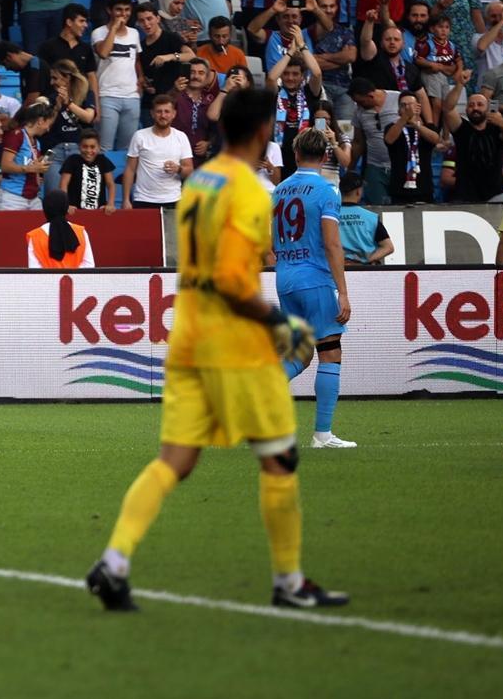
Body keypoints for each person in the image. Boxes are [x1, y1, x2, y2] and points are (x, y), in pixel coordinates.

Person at [86, 85, 346, 613]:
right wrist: (278, 322)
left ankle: (113, 563)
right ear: (261, 130)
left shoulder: (199, 183)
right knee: (279, 458)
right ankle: (290, 581)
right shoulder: (249, 191)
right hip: (233, 345)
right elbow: (232, 279)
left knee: (175, 461)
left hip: (189, 337)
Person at [270, 129, 354, 449]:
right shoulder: (326, 190)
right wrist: (342, 292)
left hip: (286, 278)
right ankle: (323, 435)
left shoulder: (278, 190)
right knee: (330, 351)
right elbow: (333, 243)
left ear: (295, 155)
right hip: (314, 278)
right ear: (325, 157)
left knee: (301, 354)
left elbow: (269, 243)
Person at [121, 95, 194, 208]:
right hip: (143, 199)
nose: (163, 115)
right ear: (152, 113)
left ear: (174, 114)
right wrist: (126, 200)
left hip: (173, 199)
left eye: (167, 111)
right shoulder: (140, 136)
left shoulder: (181, 137)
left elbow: (189, 170)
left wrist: (178, 169)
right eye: (159, 111)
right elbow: (130, 169)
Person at [26, 188, 94, 267]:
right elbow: (89, 266)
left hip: (47, 279)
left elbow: (35, 272)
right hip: (76, 279)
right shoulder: (81, 232)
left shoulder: (35, 236)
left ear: (45, 209)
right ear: (66, 208)